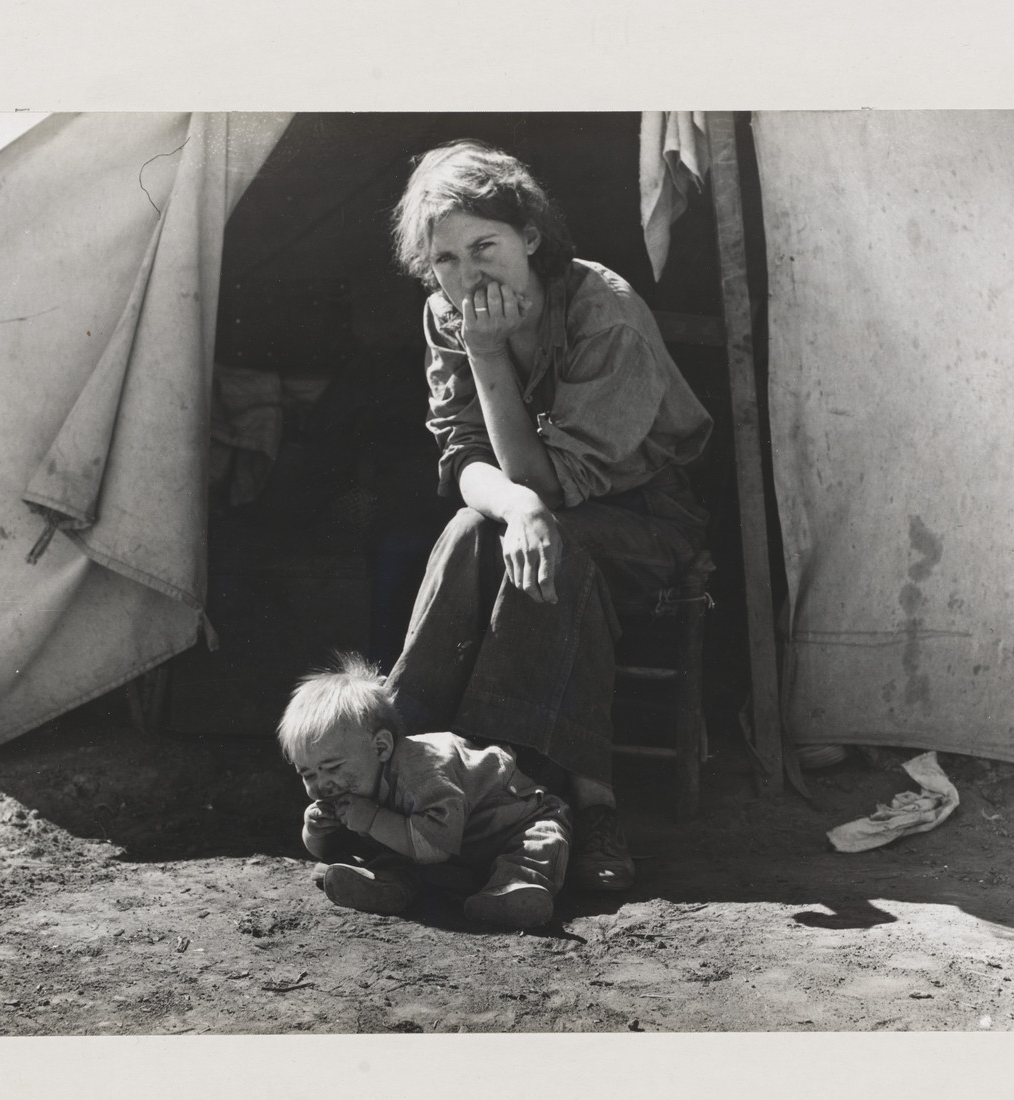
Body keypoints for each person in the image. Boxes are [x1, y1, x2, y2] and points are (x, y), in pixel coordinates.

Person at [385, 140, 713, 891]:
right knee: (475, 529)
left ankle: (567, 805)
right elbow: (465, 457)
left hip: (646, 518)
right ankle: (407, 766)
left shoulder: (607, 315)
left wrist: (490, 356)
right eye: (446, 261)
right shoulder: (449, 315)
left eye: (484, 247)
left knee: (551, 546)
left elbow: (554, 481)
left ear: (529, 237)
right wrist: (516, 504)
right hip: (537, 510)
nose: (467, 277)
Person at [278, 654, 574, 931]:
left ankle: (512, 891)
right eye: (307, 773)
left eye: (332, 767)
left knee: (538, 845)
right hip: (453, 854)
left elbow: (435, 845)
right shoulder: (357, 782)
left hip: (512, 824)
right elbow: (345, 842)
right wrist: (317, 832)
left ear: (381, 747)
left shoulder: (421, 772)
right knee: (391, 852)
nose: (321, 784)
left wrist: (371, 820)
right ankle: (385, 887)